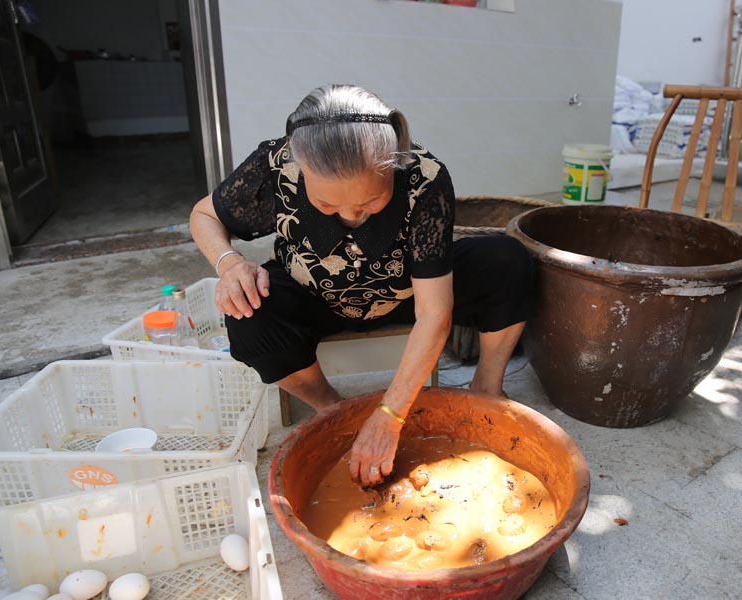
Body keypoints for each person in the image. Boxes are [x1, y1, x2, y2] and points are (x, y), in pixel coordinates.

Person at [190, 84, 534, 487]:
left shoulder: (424, 177)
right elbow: (204, 215)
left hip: (406, 291)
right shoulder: (276, 165)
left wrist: (390, 415)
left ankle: (487, 387)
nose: (351, 215)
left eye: (370, 202)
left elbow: (434, 312)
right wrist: (230, 263)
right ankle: (329, 407)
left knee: (507, 261)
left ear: (391, 167)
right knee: (249, 315)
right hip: (310, 295)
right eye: (328, 205)